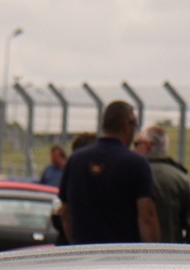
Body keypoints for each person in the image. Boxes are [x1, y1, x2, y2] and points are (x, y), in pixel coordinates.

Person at [57, 100, 158, 245]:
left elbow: (65, 213)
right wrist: (150, 255)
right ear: (126, 126)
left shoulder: (75, 160)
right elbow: (147, 217)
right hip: (122, 256)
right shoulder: (137, 164)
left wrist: (75, 244)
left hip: (83, 254)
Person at [133, 124, 190, 243]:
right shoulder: (180, 179)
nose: (134, 149)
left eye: (137, 144)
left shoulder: (132, 175)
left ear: (148, 146)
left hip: (131, 254)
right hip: (170, 255)